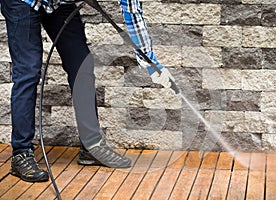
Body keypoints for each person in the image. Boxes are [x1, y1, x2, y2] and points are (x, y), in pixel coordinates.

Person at [0, 0, 174, 183]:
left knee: (81, 64)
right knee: (28, 71)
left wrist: (152, 64)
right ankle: (21, 153)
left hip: (57, 3)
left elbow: (132, 12)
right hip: (21, 3)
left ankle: (92, 147)